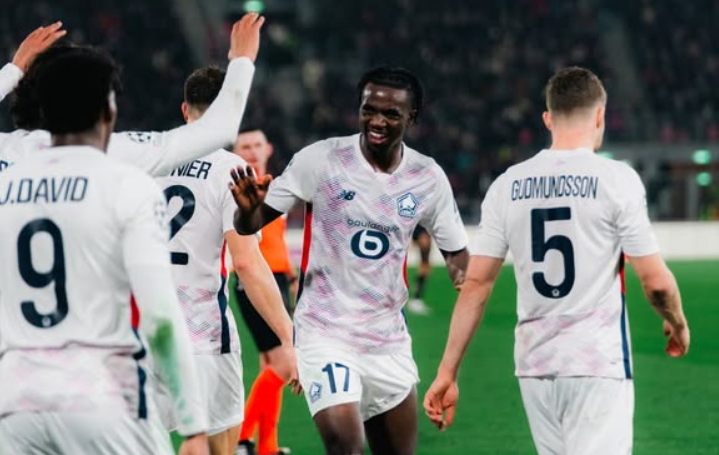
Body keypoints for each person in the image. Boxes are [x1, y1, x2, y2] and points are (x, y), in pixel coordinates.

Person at [423, 67, 690, 455]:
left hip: (535, 365)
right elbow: (656, 283)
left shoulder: (507, 185)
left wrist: (447, 371)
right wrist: (677, 322)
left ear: (548, 119)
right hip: (596, 362)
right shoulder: (616, 180)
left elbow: (476, 284)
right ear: (600, 115)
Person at [230, 67, 469, 455]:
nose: (377, 120)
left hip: (388, 342)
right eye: (368, 109)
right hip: (325, 334)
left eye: (390, 113)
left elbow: (460, 260)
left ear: (412, 117)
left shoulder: (427, 177)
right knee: (346, 447)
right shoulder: (321, 160)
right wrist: (245, 212)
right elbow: (252, 222)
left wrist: (470, 280)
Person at [0, 45, 208, 455]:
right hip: (102, 394)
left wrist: (11, 70)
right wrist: (193, 425)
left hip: (15, 399)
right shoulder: (124, 183)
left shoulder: (6, 186)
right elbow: (161, 318)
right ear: (108, 111)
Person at [153, 65, 295, 455]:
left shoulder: (147, 159)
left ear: (185, 110)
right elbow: (246, 263)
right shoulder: (231, 170)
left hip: (146, 330)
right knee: (218, 446)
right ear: (231, 112)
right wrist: (289, 336)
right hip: (205, 336)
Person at [0, 14, 259, 178]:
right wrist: (242, 59)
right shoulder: (111, 152)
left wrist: (14, 70)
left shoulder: (7, 150)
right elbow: (219, 129)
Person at [232, 127, 297, 455]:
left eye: (257, 144)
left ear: (268, 148)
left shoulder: (273, 187)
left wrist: (290, 272)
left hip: (277, 278)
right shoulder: (238, 192)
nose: (252, 150)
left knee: (270, 365)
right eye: (245, 146)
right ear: (235, 153)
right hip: (257, 281)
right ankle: (241, 439)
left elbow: (274, 240)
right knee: (286, 363)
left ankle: (266, 447)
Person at [406, 225, 432, 315]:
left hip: (421, 228)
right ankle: (415, 299)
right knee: (425, 266)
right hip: (420, 228)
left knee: (426, 267)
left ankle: (416, 299)